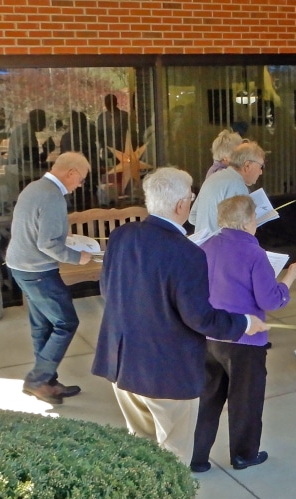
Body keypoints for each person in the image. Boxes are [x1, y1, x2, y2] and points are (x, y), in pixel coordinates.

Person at [91, 167, 267, 464]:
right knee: (174, 460)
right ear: (180, 205)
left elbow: (108, 290)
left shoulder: (122, 236)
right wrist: (245, 323)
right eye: (191, 196)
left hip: (122, 364)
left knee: (142, 453)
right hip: (165, 372)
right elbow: (200, 318)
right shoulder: (186, 253)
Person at [190, 196, 296, 473]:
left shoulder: (206, 246)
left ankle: (198, 457)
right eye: (254, 218)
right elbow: (270, 301)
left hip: (211, 334)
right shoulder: (255, 254)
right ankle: (243, 454)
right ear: (247, 221)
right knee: (245, 400)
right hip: (245, 339)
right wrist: (290, 277)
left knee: (209, 398)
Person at [6, 152, 93, 404]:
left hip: (21, 267)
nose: (80, 185)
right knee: (66, 323)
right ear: (72, 173)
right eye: (81, 179)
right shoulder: (53, 196)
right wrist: (79, 257)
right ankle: (37, 380)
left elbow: (36, 231)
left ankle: (47, 381)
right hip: (38, 271)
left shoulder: (33, 188)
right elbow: (47, 243)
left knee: (42, 326)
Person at [189, 141, 265, 235]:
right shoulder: (237, 185)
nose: (261, 172)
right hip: (221, 246)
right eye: (261, 166)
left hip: (203, 245)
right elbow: (240, 230)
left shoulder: (213, 177)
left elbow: (192, 217)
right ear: (247, 165)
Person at [60, 110, 101, 209]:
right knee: (86, 201)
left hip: (74, 175)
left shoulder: (66, 138)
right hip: (85, 176)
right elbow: (93, 157)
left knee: (78, 202)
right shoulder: (85, 138)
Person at [6, 109, 55, 183]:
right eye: (43, 120)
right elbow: (31, 161)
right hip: (23, 176)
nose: (44, 124)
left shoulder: (20, 129)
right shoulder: (28, 133)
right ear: (37, 120)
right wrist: (46, 151)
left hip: (14, 172)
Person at [96, 93, 130, 161]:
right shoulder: (102, 117)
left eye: (110, 103)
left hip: (122, 150)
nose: (108, 105)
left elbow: (127, 133)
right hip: (107, 151)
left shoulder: (124, 116)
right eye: (107, 103)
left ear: (115, 103)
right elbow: (100, 134)